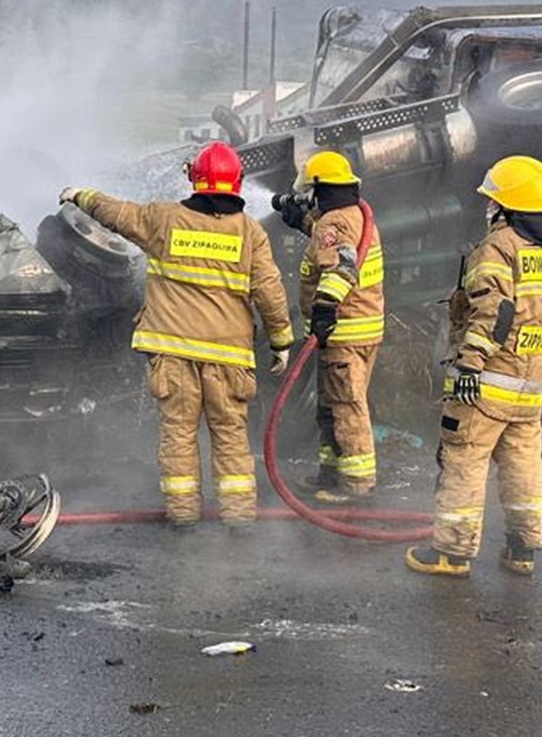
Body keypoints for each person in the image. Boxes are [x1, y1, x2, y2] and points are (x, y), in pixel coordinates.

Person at [63, 142, 294, 526]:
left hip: (172, 356)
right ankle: (238, 518)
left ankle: (183, 514)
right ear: (236, 182)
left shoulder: (163, 219)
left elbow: (117, 214)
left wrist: (79, 196)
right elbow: (269, 292)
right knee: (231, 435)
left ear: (195, 179)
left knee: (178, 435)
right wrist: (281, 342)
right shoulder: (250, 233)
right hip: (228, 358)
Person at [408, 155, 542, 577]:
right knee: (523, 463)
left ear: (508, 206)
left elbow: (494, 311)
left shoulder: (498, 247)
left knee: (465, 457)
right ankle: (522, 550)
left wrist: (471, 366)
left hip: (487, 382)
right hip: (529, 385)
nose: (488, 208)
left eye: (493, 201)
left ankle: (452, 553)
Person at [287, 150, 385, 503]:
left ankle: (355, 485)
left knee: (346, 406)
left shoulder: (334, 224)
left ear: (318, 190)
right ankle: (330, 473)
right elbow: (337, 245)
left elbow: (341, 266)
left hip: (343, 331)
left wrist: (325, 308)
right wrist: (304, 225)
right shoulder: (354, 214)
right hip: (361, 329)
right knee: (330, 407)